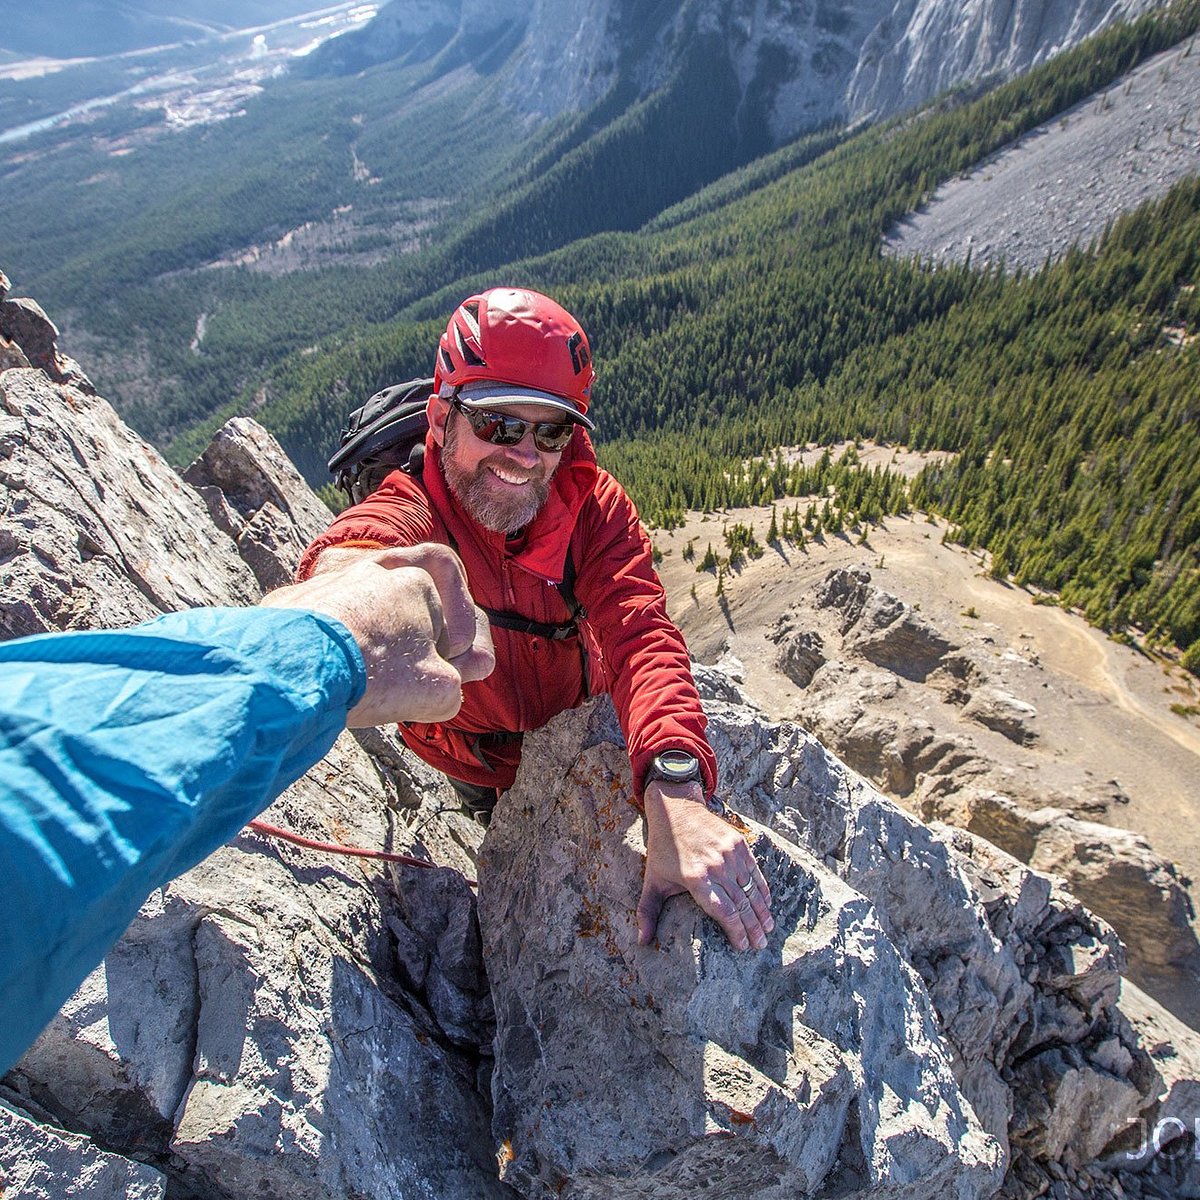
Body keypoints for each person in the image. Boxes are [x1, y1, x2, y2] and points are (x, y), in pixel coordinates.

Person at [298, 286, 775, 952]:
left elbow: (642, 638)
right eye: (497, 423)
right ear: (441, 419)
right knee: (499, 835)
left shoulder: (591, 507)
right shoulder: (413, 513)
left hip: (584, 733)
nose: (524, 454)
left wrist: (676, 788)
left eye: (550, 430)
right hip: (477, 760)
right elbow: (362, 563)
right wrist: (306, 639)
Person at [0, 545, 494, 1075]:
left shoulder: (583, 505)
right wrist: (323, 646)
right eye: (504, 450)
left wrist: (316, 642)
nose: (526, 456)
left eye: (553, 451)